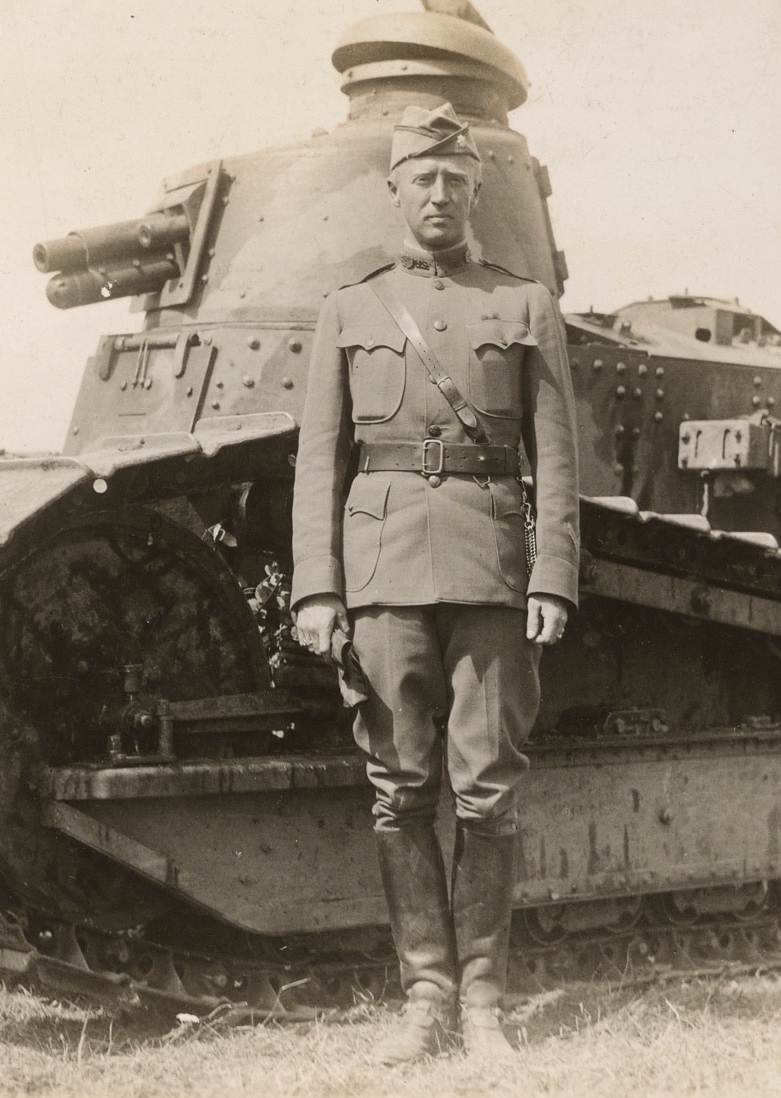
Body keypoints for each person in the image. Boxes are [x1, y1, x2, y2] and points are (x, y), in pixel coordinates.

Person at [289, 102, 580, 1063]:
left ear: (475, 191)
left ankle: (487, 1002)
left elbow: (557, 457)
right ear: (396, 191)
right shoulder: (352, 306)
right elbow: (320, 465)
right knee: (399, 791)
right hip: (380, 578)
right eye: (423, 178)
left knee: (488, 794)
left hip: (491, 569)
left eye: (456, 180)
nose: (441, 195)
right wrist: (319, 590)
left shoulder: (523, 302)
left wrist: (552, 574)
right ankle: (425, 996)